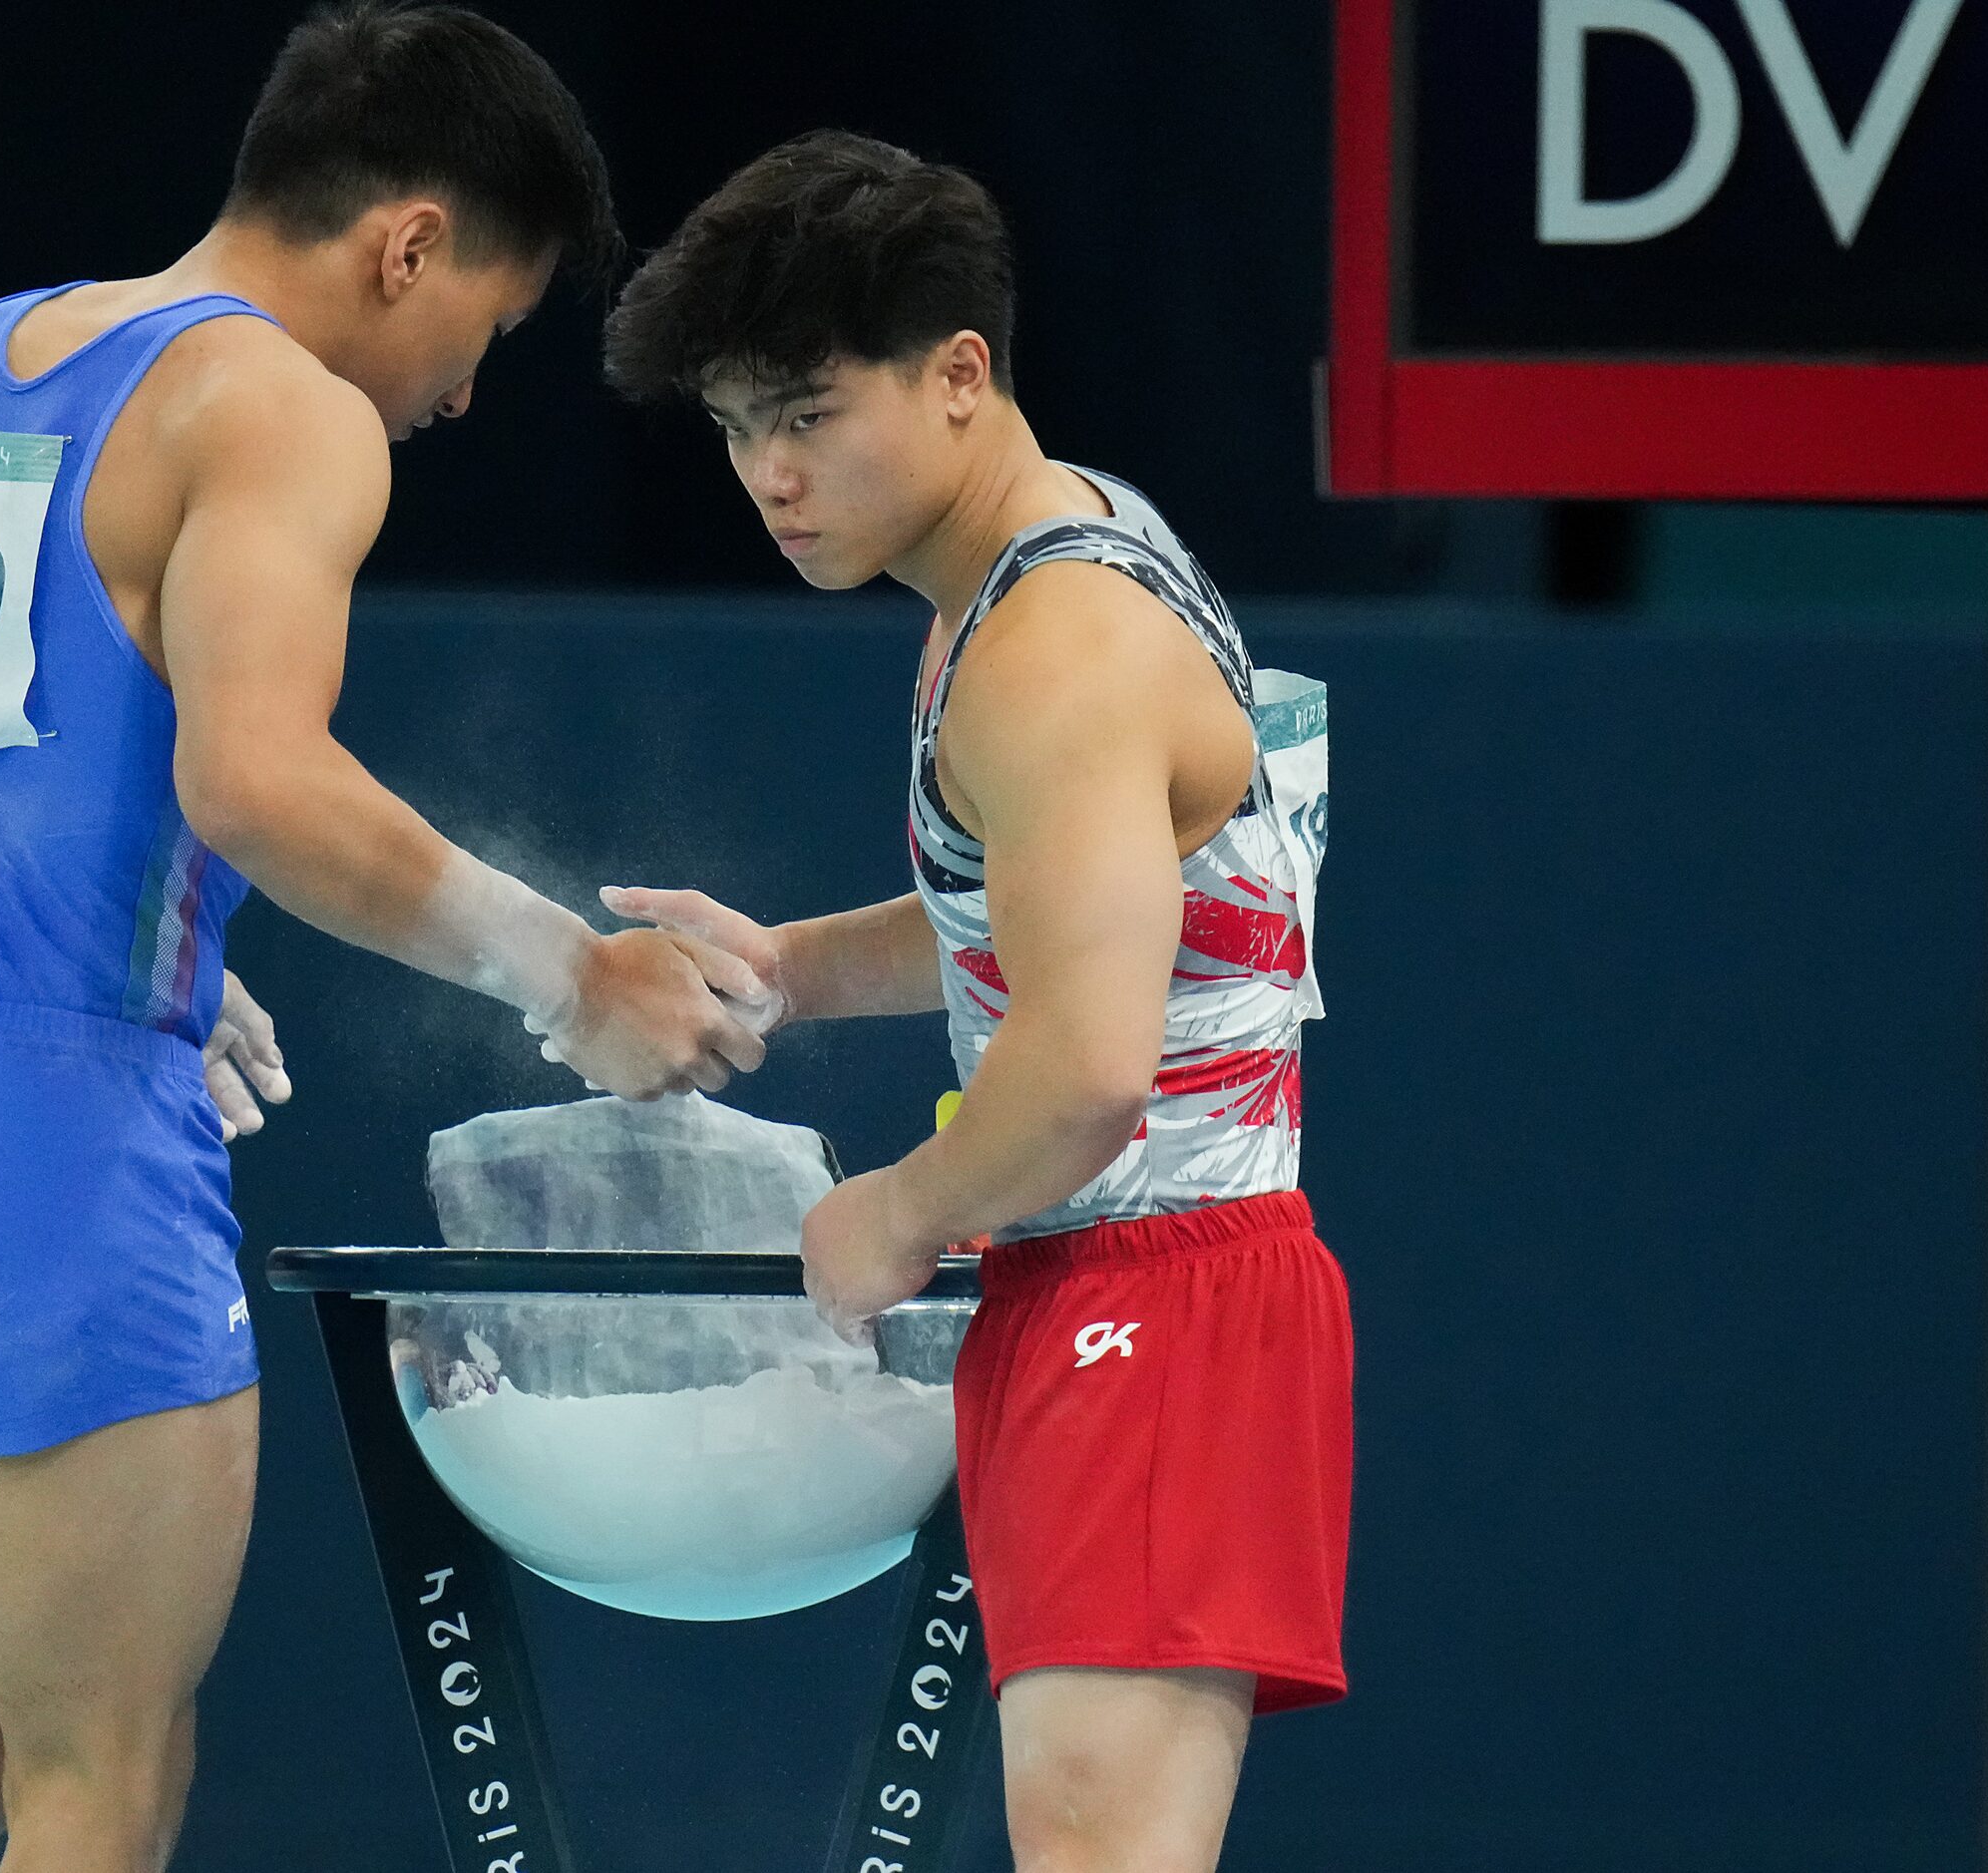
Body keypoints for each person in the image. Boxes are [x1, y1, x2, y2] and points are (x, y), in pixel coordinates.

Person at [0, 8, 770, 1869]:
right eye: (488, 333)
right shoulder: (275, 404)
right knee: (94, 1776)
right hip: (48, 1156)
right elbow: (260, 785)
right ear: (408, 245)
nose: (456, 397)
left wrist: (120, 960)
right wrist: (572, 965)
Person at [600, 132, 1352, 1873]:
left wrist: (898, 1208)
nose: (765, 474)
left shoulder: (1051, 649)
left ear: (958, 376)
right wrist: (796, 966)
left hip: (1153, 1300)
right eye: (731, 428)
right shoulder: (1028, 559)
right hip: (1112, 1286)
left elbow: (1086, 1071)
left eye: (804, 414)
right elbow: (1059, 924)